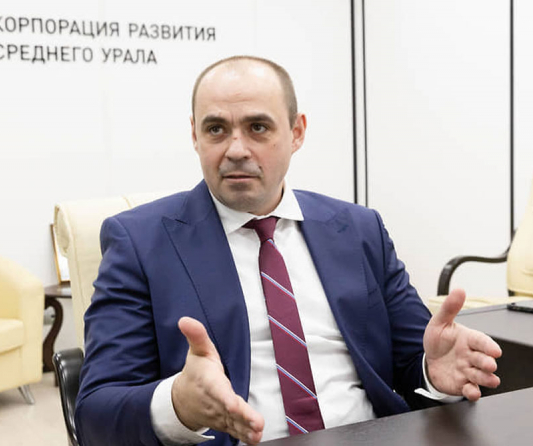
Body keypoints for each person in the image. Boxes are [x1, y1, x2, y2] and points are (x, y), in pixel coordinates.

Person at [75, 56, 502, 446]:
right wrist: (177, 405)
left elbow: (412, 363)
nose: (236, 149)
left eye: (258, 127)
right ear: (195, 135)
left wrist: (432, 372)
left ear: (297, 132)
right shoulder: (139, 242)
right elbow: (96, 413)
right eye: (216, 129)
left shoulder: (359, 230)